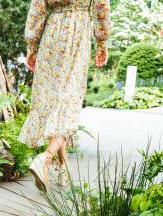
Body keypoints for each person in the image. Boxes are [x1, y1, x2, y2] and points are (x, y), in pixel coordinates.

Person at [20, 0, 111, 191]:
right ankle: (45, 158)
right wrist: (102, 42)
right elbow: (101, 7)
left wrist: (32, 45)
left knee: (55, 101)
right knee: (69, 103)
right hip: (78, 34)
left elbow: (37, 8)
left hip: (52, 34)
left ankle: (63, 169)